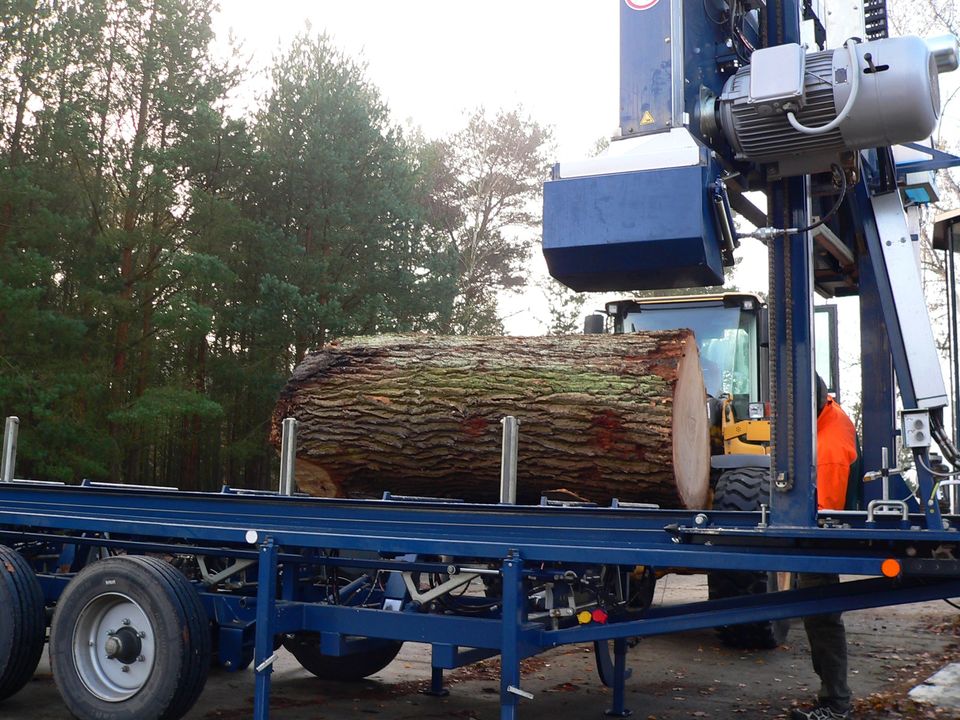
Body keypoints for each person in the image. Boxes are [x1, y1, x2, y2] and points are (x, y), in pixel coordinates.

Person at [791, 375, 859, 720]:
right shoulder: (823, 414)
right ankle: (831, 698)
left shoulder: (829, 447)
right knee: (816, 612)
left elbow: (824, 517)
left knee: (822, 614)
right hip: (821, 525)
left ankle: (836, 703)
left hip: (824, 535)